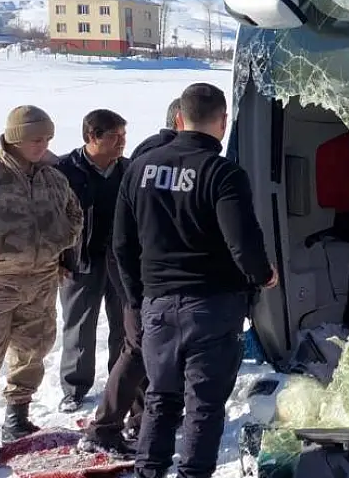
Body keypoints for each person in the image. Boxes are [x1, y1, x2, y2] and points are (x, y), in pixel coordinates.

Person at [113, 83, 277, 478]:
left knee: (161, 400)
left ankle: (148, 473)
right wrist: (263, 276)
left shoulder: (139, 168)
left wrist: (139, 297)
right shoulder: (221, 173)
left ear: (180, 119)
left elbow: (121, 243)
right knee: (203, 405)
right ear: (223, 122)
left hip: (157, 305)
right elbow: (243, 241)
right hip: (212, 307)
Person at [78, 99, 186, 456]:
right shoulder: (162, 155)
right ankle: (105, 428)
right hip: (135, 264)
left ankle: (140, 418)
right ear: (183, 120)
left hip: (139, 263)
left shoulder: (150, 152)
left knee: (143, 344)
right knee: (139, 345)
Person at [0, 106, 84, 466]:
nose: (45, 146)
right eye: (38, 139)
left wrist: (62, 243)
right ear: (16, 137)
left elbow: (74, 212)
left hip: (40, 281)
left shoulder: (52, 177)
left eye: (48, 139)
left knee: (32, 350)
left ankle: (17, 420)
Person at [56, 109, 130, 413]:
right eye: (115, 136)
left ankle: (121, 380)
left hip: (120, 261)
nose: (122, 143)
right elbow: (52, 220)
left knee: (124, 324)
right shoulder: (64, 171)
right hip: (79, 260)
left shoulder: (128, 169)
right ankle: (74, 387)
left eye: (124, 135)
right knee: (79, 326)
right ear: (91, 137)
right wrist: (59, 257)